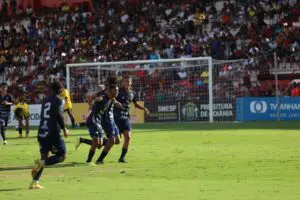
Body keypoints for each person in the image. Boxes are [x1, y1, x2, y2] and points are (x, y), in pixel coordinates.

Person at [29, 81, 69, 189]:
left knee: (44, 156)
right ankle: (40, 164)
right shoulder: (59, 100)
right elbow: (59, 115)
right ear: (60, 90)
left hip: (42, 131)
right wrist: (64, 128)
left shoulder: (45, 100)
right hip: (53, 133)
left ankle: (34, 182)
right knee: (62, 155)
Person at [75, 77, 121, 164]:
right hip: (92, 120)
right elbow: (91, 98)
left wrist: (117, 103)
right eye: (115, 90)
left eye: (117, 90)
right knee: (97, 143)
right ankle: (89, 161)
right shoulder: (102, 98)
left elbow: (112, 99)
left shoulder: (111, 97)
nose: (117, 92)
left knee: (99, 144)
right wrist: (91, 105)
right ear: (110, 90)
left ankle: (82, 140)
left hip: (98, 121)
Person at [114, 76, 149, 163]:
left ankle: (122, 158)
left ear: (131, 83)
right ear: (123, 83)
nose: (127, 83)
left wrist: (144, 109)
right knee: (115, 141)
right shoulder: (118, 91)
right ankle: (96, 142)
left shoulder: (132, 93)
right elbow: (112, 99)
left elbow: (136, 104)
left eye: (128, 82)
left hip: (126, 118)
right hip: (116, 118)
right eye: (125, 82)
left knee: (128, 137)